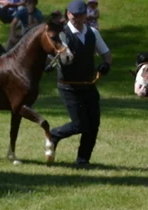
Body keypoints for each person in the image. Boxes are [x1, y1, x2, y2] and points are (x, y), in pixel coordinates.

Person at [48, 0, 113, 167]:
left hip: (88, 85)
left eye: (80, 15)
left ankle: (83, 161)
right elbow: (53, 54)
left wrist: (106, 64)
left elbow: (106, 54)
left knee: (93, 124)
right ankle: (54, 134)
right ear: (68, 14)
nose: (76, 18)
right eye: (73, 15)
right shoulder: (62, 34)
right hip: (68, 86)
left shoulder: (93, 33)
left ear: (86, 15)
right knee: (79, 124)